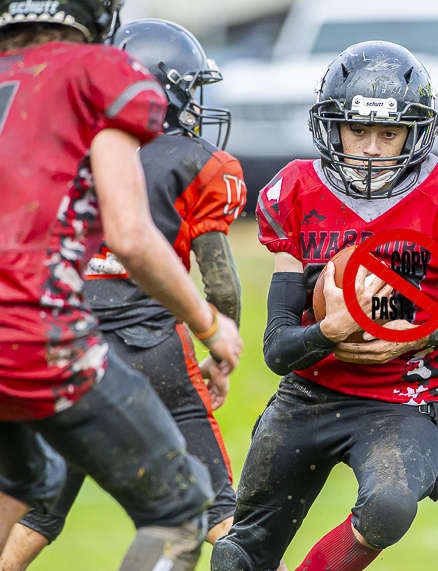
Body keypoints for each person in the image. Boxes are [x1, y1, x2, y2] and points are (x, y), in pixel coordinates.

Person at [210, 40, 438, 571]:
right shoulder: (295, 191)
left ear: (417, 131)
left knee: (387, 508)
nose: (373, 148)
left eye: (390, 133)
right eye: (358, 130)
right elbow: (276, 349)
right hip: (309, 394)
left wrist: (427, 334)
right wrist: (328, 332)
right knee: (239, 553)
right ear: (332, 126)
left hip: (403, 399)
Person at [0, 2, 242, 570]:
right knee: (182, 510)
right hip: (41, 335)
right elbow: (130, 235)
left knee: (31, 477)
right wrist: (210, 325)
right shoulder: (97, 74)